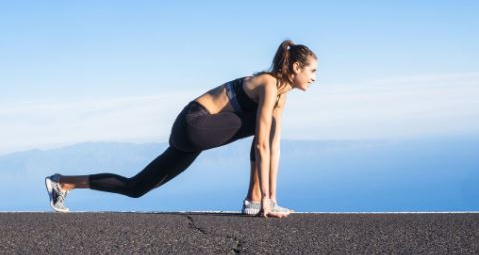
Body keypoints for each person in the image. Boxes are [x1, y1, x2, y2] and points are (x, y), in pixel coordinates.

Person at [45, 40, 318, 218]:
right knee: (263, 128)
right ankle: (254, 200)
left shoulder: (281, 97)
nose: (315, 78)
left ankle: (63, 182)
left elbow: (274, 148)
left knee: (136, 187)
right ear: (295, 67)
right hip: (193, 124)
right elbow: (262, 145)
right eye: (312, 71)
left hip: (194, 137)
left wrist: (274, 197)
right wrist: (265, 202)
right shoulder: (268, 84)